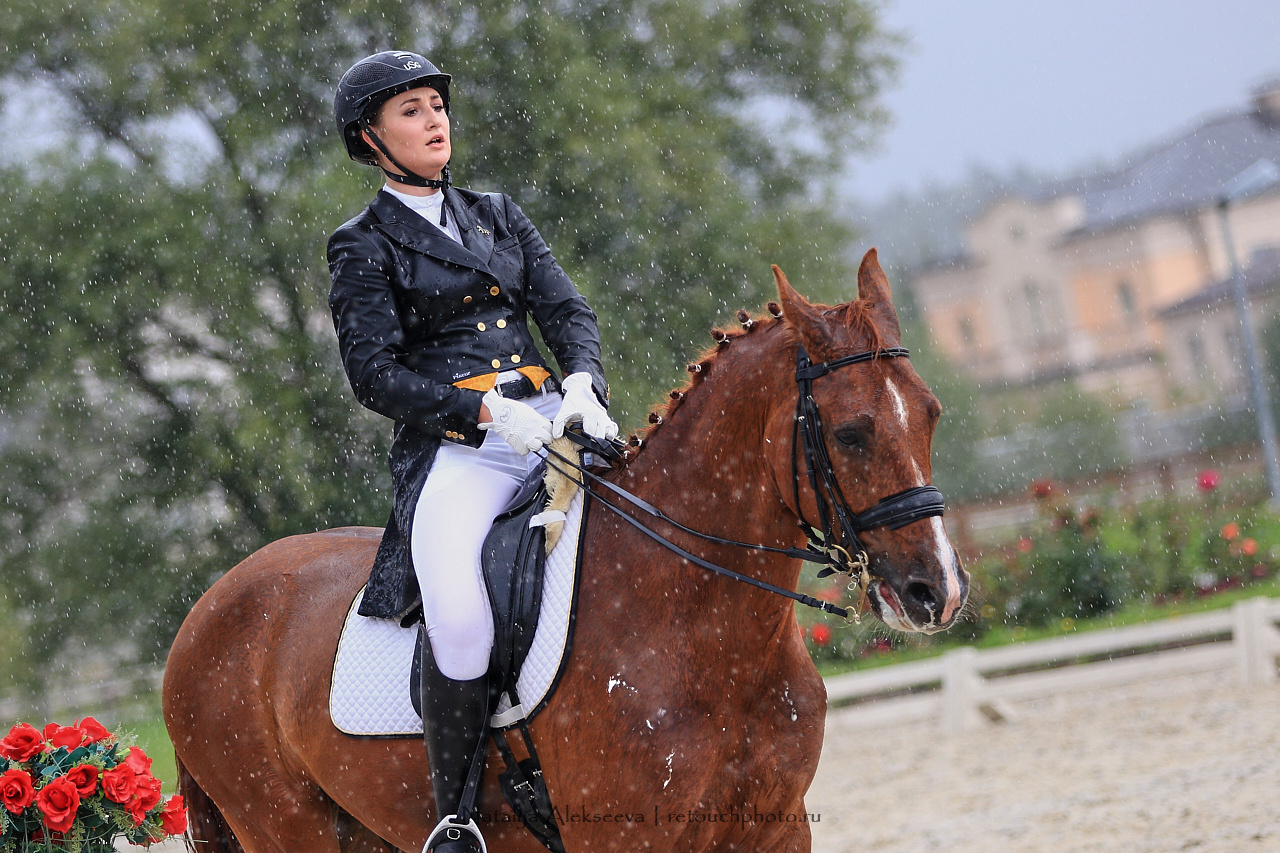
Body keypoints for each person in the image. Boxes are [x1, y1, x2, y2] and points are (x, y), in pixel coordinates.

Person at [328, 50, 618, 853]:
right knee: (457, 616)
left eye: (436, 105)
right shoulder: (363, 244)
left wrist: (583, 380)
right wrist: (483, 410)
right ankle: (455, 817)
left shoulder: (497, 212)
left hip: (553, 422)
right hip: (465, 449)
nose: (434, 120)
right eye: (411, 110)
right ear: (371, 138)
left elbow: (566, 310)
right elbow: (374, 374)